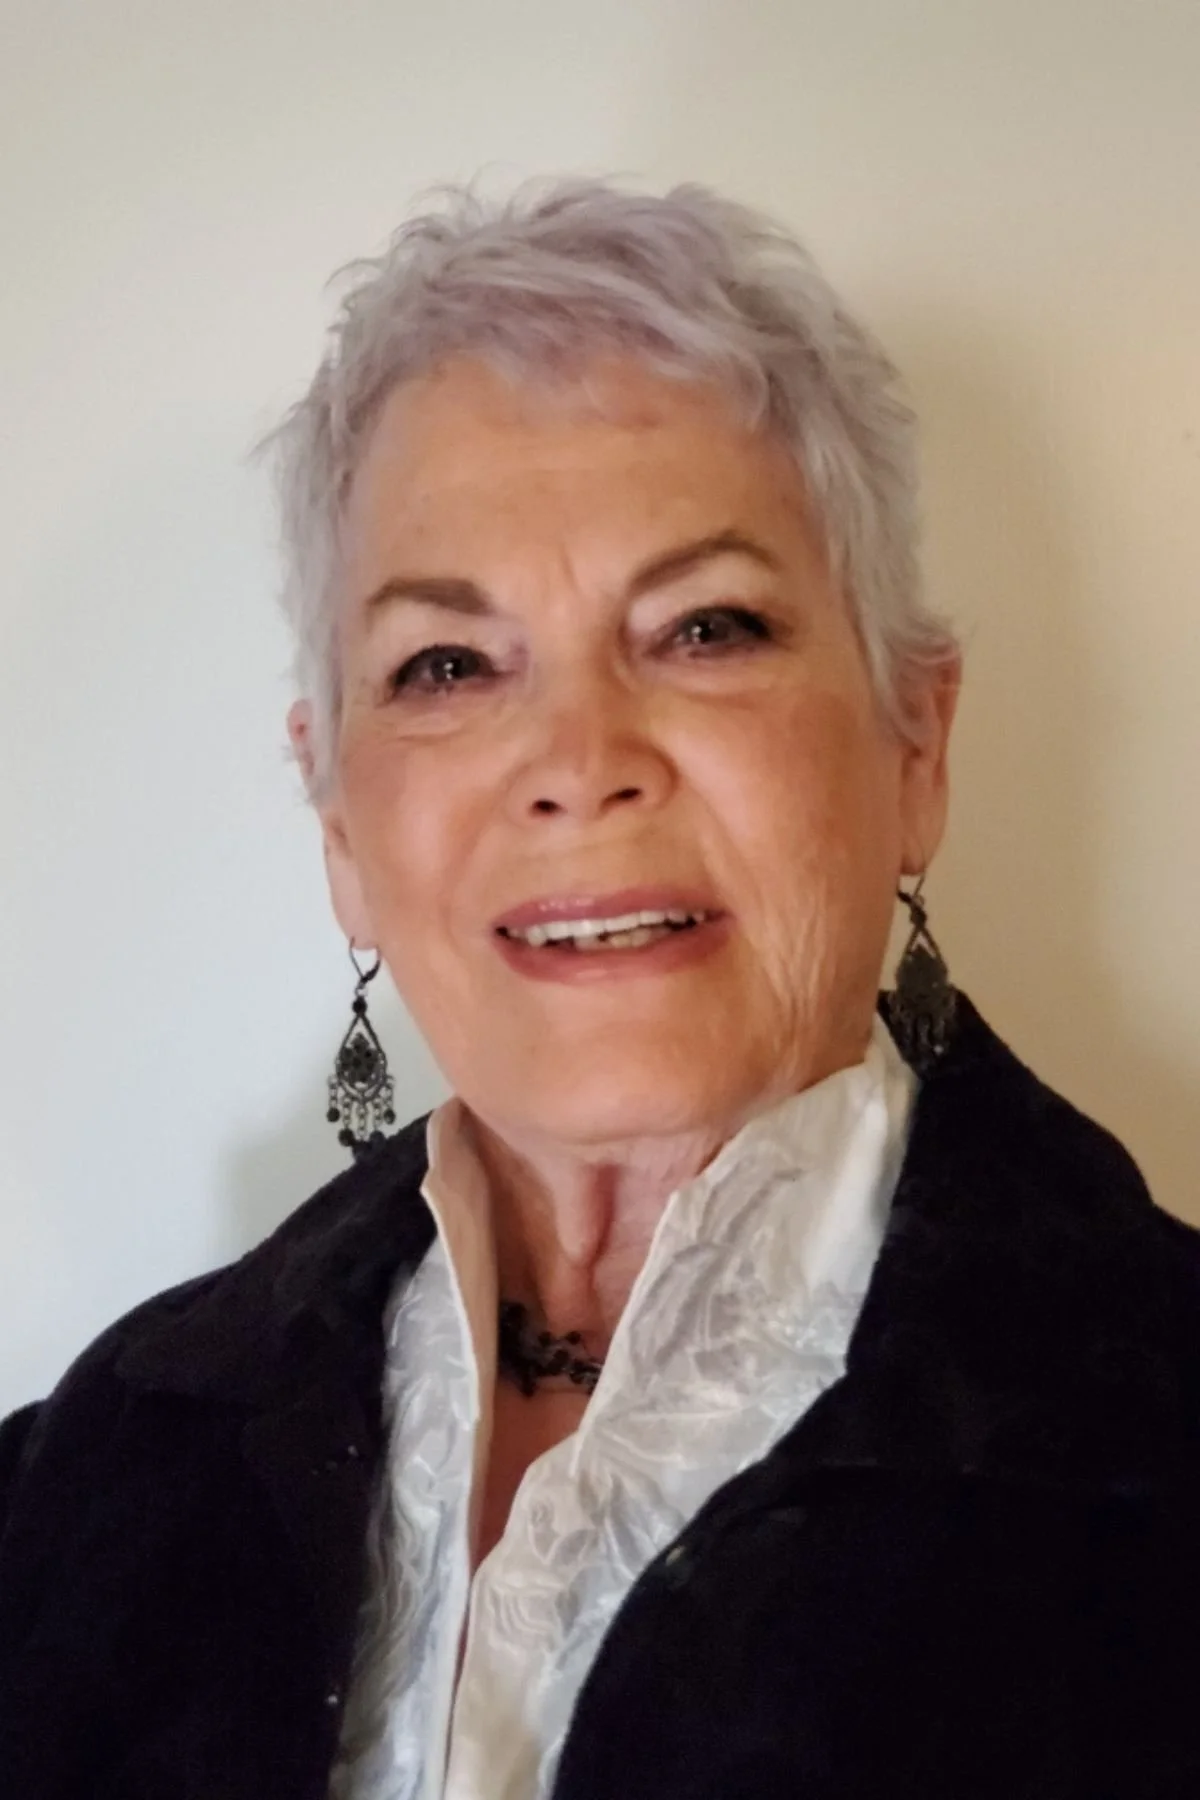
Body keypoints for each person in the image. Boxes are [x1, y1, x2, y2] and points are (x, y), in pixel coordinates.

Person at [1, 177, 1198, 1800]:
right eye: (447, 665)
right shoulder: (70, 1490)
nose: (579, 766)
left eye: (707, 627)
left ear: (916, 745)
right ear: (340, 824)